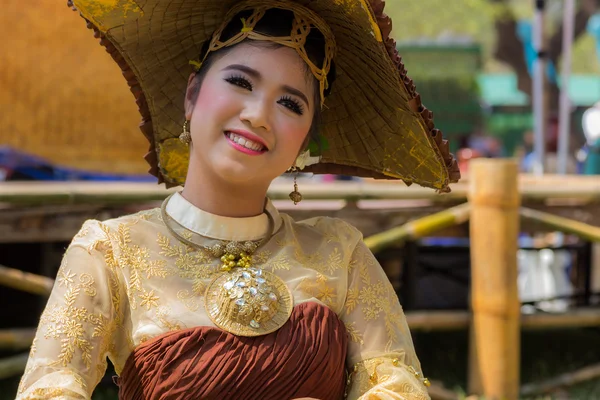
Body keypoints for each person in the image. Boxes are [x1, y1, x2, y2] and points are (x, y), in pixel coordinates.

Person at [17, 0, 460, 399]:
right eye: (240, 82)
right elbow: (48, 389)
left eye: (291, 104)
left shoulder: (339, 254)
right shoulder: (108, 252)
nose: (259, 115)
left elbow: (397, 384)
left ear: (304, 140)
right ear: (192, 95)